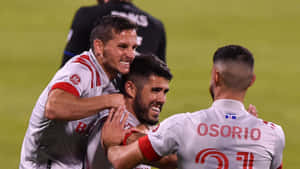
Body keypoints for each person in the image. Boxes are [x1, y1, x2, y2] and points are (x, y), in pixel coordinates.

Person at [102, 45, 285, 169]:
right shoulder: (273, 134)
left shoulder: (182, 126)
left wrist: (111, 144)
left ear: (216, 76)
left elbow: (120, 160)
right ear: (251, 81)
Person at [19, 16, 138, 169]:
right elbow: (54, 107)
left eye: (133, 47)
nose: (130, 55)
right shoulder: (81, 70)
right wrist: (110, 100)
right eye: (122, 47)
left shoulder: (116, 75)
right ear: (99, 47)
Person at [85, 55, 177, 169]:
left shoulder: (132, 122)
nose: (162, 99)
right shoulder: (117, 126)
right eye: (155, 90)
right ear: (131, 89)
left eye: (164, 92)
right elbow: (172, 158)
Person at [61, 0, 167, 67]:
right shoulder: (156, 25)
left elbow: (68, 63)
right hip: (136, 98)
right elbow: (160, 76)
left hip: (97, 96)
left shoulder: (87, 15)